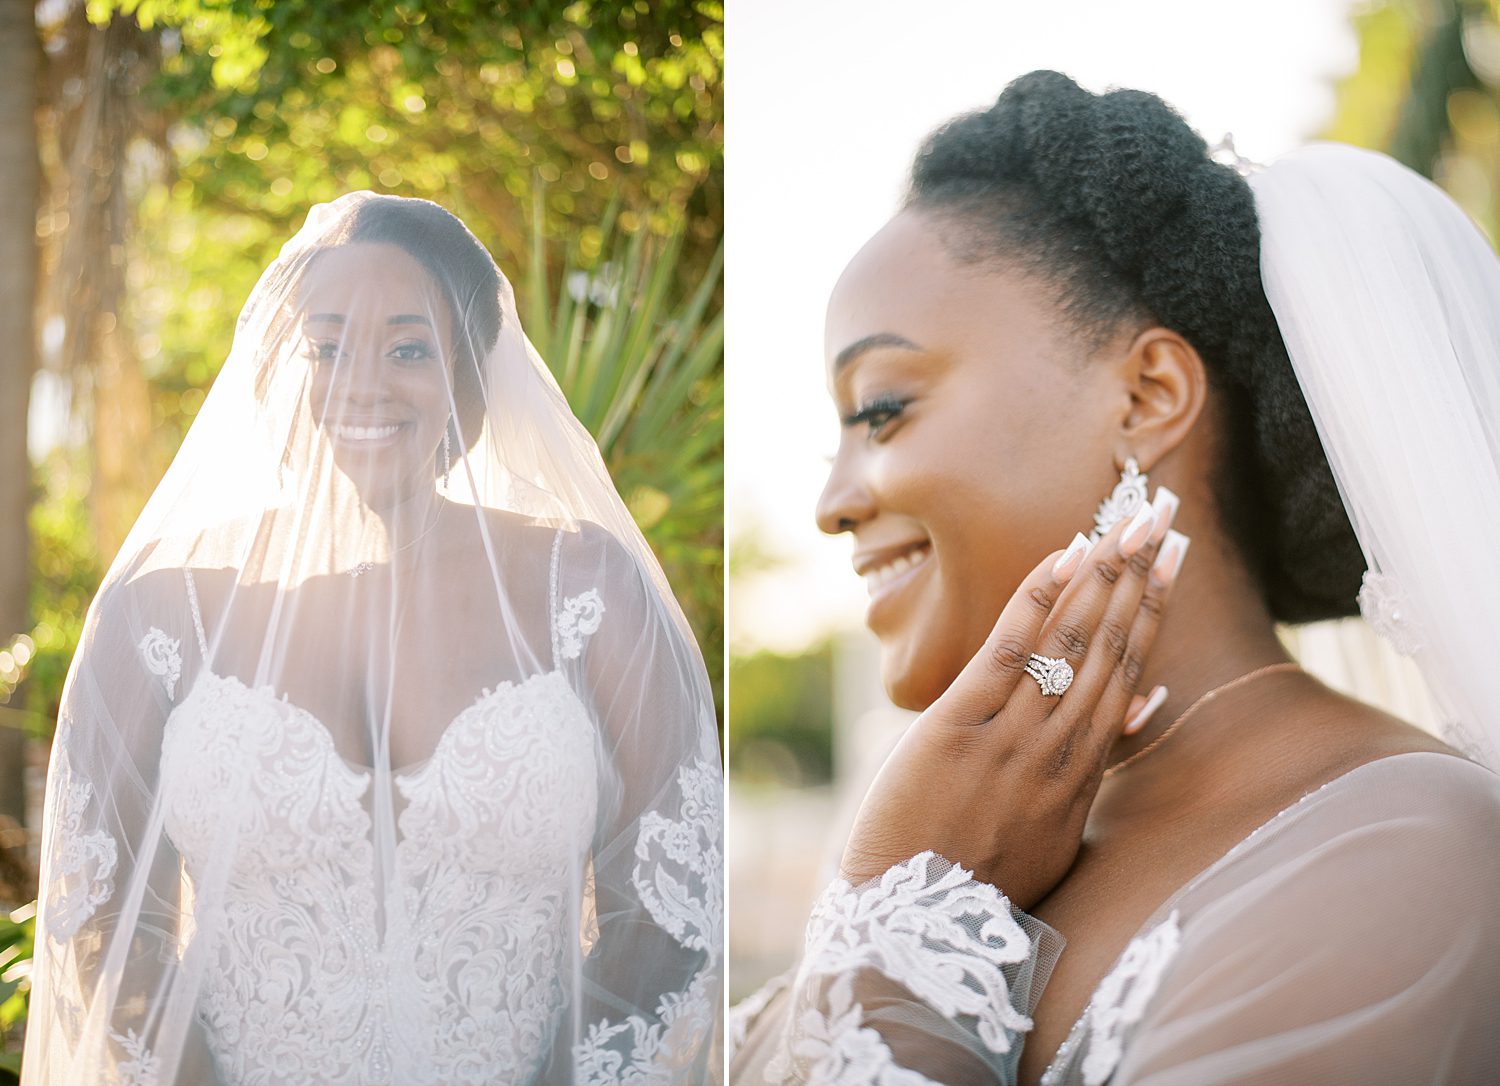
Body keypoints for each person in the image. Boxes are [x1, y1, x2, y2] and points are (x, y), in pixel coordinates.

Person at [728, 71, 1500, 1084]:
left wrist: (900, 917)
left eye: (881, 409)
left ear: (1147, 396)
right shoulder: (957, 831)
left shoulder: (1416, 859)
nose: (832, 503)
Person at [24, 193, 722, 1085]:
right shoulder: (156, 612)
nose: (362, 383)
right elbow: (108, 924)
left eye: (409, 348)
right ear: (276, 367)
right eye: (324, 348)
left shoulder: (588, 589)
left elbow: (668, 906)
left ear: (471, 376)